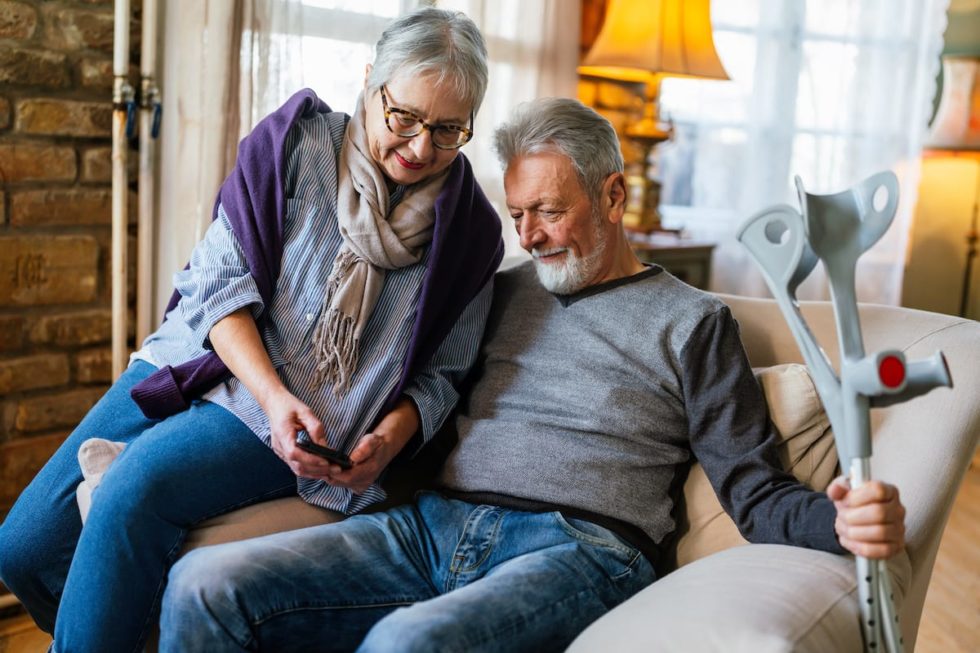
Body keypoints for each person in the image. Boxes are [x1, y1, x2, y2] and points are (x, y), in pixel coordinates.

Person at [156, 98, 906, 653]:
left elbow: (753, 486)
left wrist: (836, 520)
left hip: (580, 550)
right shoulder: (502, 289)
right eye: (517, 214)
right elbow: (425, 389)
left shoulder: (696, 322)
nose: (529, 236)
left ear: (613, 196)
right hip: (430, 527)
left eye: (547, 210)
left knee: (406, 646)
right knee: (206, 587)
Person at [0, 8, 503, 652]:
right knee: (23, 551)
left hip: (312, 416)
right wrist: (271, 393)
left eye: (448, 130)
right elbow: (216, 282)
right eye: (403, 116)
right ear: (370, 78)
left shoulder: (473, 234)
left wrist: (389, 437)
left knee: (136, 486)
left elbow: (443, 377)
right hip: (201, 365)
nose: (419, 148)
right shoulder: (297, 142)